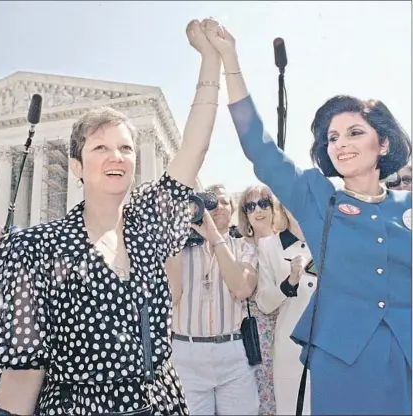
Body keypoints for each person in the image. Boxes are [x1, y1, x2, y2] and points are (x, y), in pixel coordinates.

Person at [0, 18, 221, 416]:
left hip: (159, 404)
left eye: (125, 148)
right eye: (100, 147)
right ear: (76, 165)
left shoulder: (149, 230)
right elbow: (23, 373)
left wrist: (211, 59)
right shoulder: (33, 249)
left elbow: (195, 148)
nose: (115, 156)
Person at [201, 17, 412, 416]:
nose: (341, 144)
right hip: (342, 360)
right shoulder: (318, 196)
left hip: (405, 361)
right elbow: (260, 149)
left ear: (383, 142)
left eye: (354, 132)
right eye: (332, 137)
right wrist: (231, 61)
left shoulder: (407, 207)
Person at [167, 184, 259, 415]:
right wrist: (176, 236)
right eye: (210, 203)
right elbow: (172, 294)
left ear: (233, 210)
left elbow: (242, 288)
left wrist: (216, 239)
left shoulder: (244, 247)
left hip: (233, 352)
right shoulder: (178, 248)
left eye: (224, 202)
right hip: (186, 354)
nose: (217, 207)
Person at [238, 184, 313, 415]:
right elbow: (264, 302)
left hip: (332, 346)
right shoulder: (269, 246)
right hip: (290, 347)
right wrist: (289, 281)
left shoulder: (328, 239)